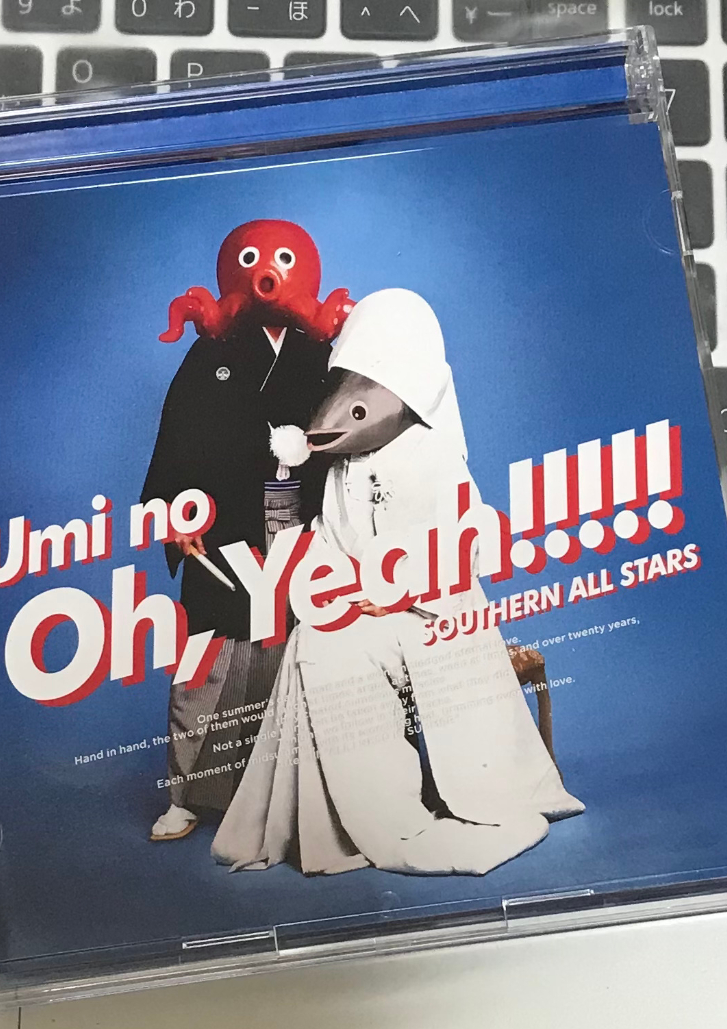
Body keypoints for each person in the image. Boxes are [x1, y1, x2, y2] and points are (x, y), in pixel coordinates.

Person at [211, 289, 584, 876]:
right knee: (319, 645)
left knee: (419, 652)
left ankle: (484, 793)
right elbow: (331, 539)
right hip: (366, 611)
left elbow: (464, 547)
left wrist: (396, 591)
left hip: (434, 611)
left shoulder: (435, 458)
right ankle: (373, 815)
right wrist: (331, 587)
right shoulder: (342, 470)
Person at [142, 220, 351, 841]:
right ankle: (187, 795)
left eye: (282, 261)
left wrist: (309, 451)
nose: (268, 276)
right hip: (224, 523)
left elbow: (355, 431)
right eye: (255, 261)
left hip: (302, 523)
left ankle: (284, 793)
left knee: (293, 652)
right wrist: (173, 514)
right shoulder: (212, 352)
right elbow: (177, 435)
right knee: (207, 657)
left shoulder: (323, 353)